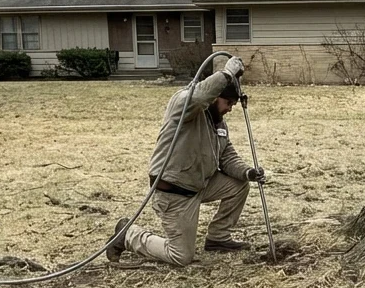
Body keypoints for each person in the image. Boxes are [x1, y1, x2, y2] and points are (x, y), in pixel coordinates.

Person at [106, 56, 266, 267]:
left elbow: (226, 156)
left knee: (238, 185)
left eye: (234, 104)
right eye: (228, 103)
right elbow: (198, 97)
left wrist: (248, 173)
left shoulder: (218, 123)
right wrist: (226, 75)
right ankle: (127, 235)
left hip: (200, 184)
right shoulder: (184, 104)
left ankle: (218, 238)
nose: (230, 108)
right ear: (215, 95)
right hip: (174, 193)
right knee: (180, 256)